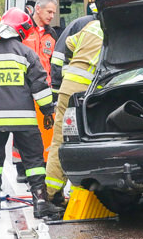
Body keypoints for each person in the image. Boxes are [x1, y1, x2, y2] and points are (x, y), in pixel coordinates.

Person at [0, 8, 57, 220]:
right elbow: (40, 87)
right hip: (23, 120)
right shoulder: (27, 54)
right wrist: (47, 111)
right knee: (34, 161)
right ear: (22, 30)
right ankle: (40, 203)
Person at [44, 17, 105, 203]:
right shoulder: (119, 30)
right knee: (93, 142)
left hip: (68, 87)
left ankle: (51, 194)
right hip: (88, 95)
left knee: (59, 140)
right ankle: (89, 194)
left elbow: (69, 44)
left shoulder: (93, 25)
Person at [10, 0, 59, 176]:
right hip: (23, 88)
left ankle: (43, 164)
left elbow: (53, 63)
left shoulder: (52, 35)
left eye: (53, 12)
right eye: (49, 11)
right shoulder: (23, 30)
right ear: (38, 9)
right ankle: (21, 167)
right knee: (22, 128)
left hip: (43, 87)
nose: (52, 15)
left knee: (46, 127)